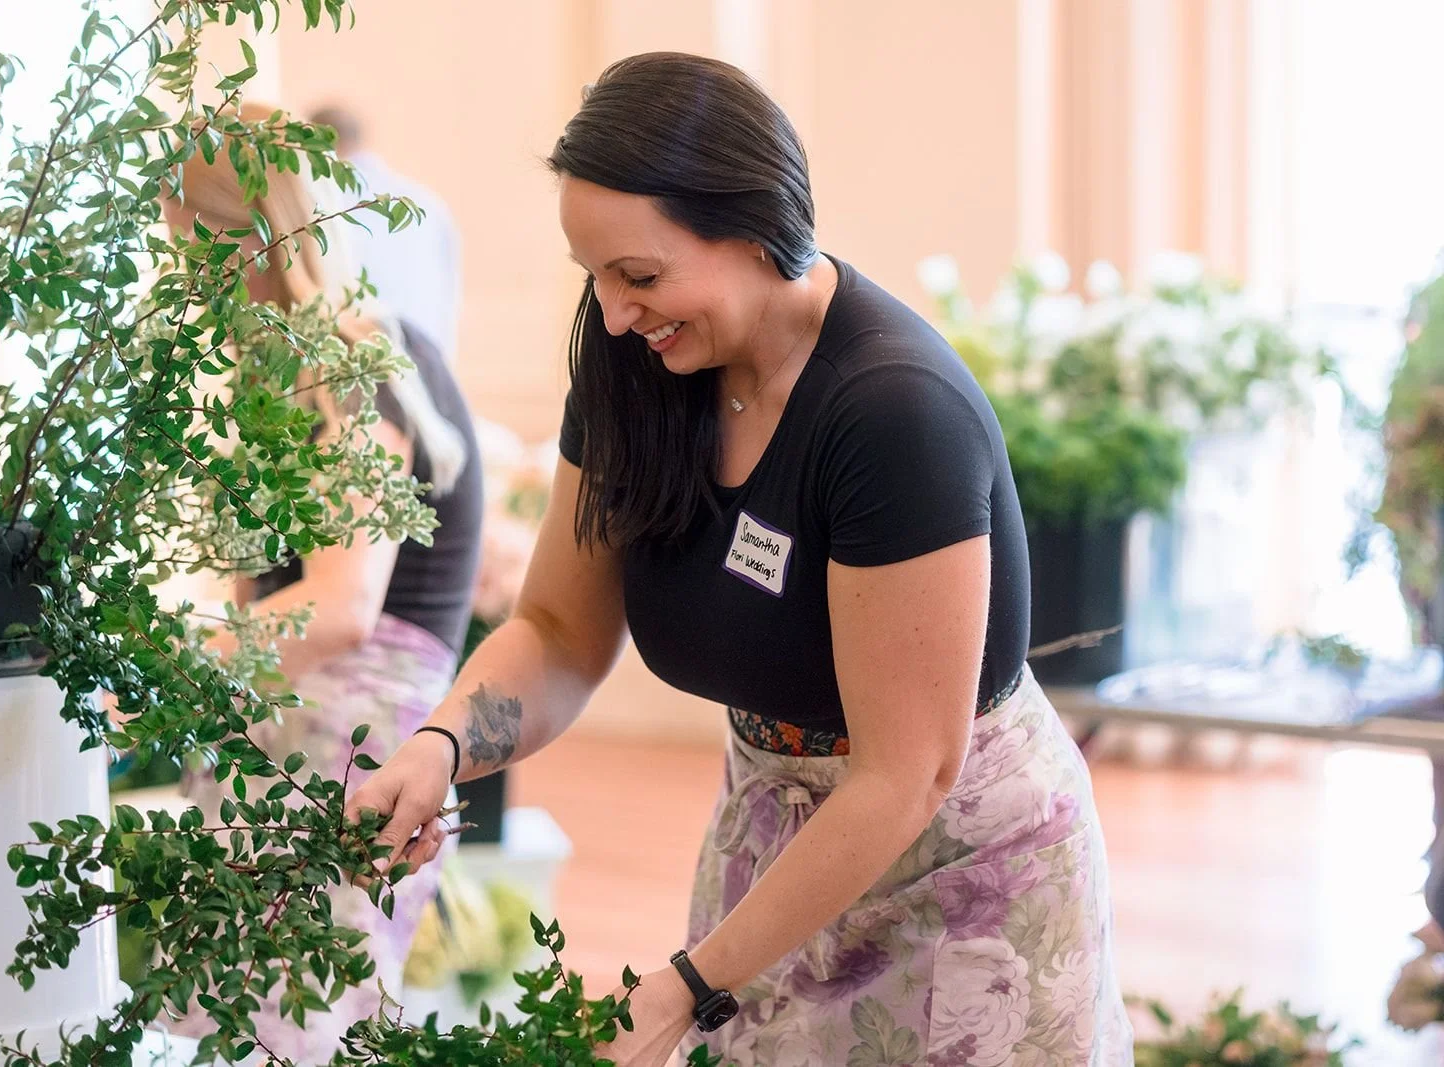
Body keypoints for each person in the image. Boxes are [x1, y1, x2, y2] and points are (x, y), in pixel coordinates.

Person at [351, 53, 1132, 1066]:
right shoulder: (634, 359)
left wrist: (687, 982)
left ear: (757, 225)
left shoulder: (892, 411)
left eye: (640, 274)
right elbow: (556, 629)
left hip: (958, 870)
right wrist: (442, 742)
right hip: (775, 845)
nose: (617, 311)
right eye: (593, 275)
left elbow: (908, 771)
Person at [159, 101, 484, 1061]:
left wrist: (165, 664)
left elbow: (343, 606)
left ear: (245, 240)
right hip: (308, 745)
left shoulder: (348, 360)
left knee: (296, 1030)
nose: (187, 278)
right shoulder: (328, 359)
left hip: (343, 752)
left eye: (192, 248)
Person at [308, 103, 463, 366]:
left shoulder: (320, 204)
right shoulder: (428, 203)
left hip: (356, 368)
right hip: (430, 367)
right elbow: (449, 295)